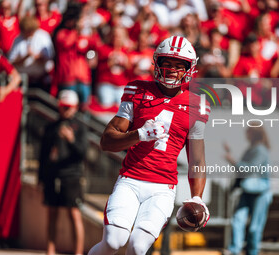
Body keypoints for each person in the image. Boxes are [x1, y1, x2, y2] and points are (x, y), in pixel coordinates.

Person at [88, 35, 210, 255]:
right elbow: (106, 141)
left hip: (163, 188)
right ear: (157, 64)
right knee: (114, 241)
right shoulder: (138, 90)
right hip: (130, 180)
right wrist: (139, 134)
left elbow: (197, 158)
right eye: (167, 64)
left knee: (138, 246)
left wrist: (197, 196)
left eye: (179, 65)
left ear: (189, 69)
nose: (172, 70)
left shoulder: (197, 105)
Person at [38, 90, 87, 255]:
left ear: (75, 107)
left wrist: (71, 140)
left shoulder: (79, 127)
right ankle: (50, 251)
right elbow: (43, 154)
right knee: (52, 214)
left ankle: (78, 252)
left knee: (74, 214)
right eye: (63, 107)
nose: (65, 110)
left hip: (72, 176)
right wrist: (41, 177)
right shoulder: (51, 127)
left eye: (69, 107)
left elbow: (83, 153)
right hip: (53, 176)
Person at [224, 124, 272, 255]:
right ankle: (234, 250)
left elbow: (250, 169)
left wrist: (232, 160)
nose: (246, 134)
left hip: (260, 193)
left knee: (254, 228)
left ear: (254, 132)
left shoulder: (261, 150)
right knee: (237, 221)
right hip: (247, 190)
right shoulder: (251, 149)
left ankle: (252, 252)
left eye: (248, 131)